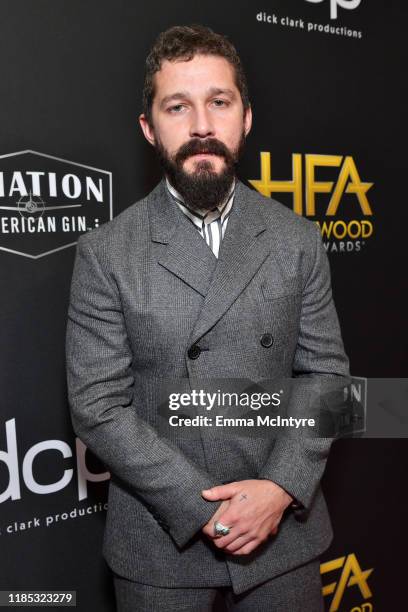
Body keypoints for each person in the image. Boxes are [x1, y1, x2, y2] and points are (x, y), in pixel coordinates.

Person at [66, 24, 350, 611]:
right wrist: (204, 508)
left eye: (219, 102)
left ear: (245, 117)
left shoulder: (297, 240)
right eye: (178, 106)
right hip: (160, 542)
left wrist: (278, 487)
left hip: (284, 536)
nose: (201, 125)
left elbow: (327, 380)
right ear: (149, 128)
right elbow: (97, 406)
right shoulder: (108, 251)